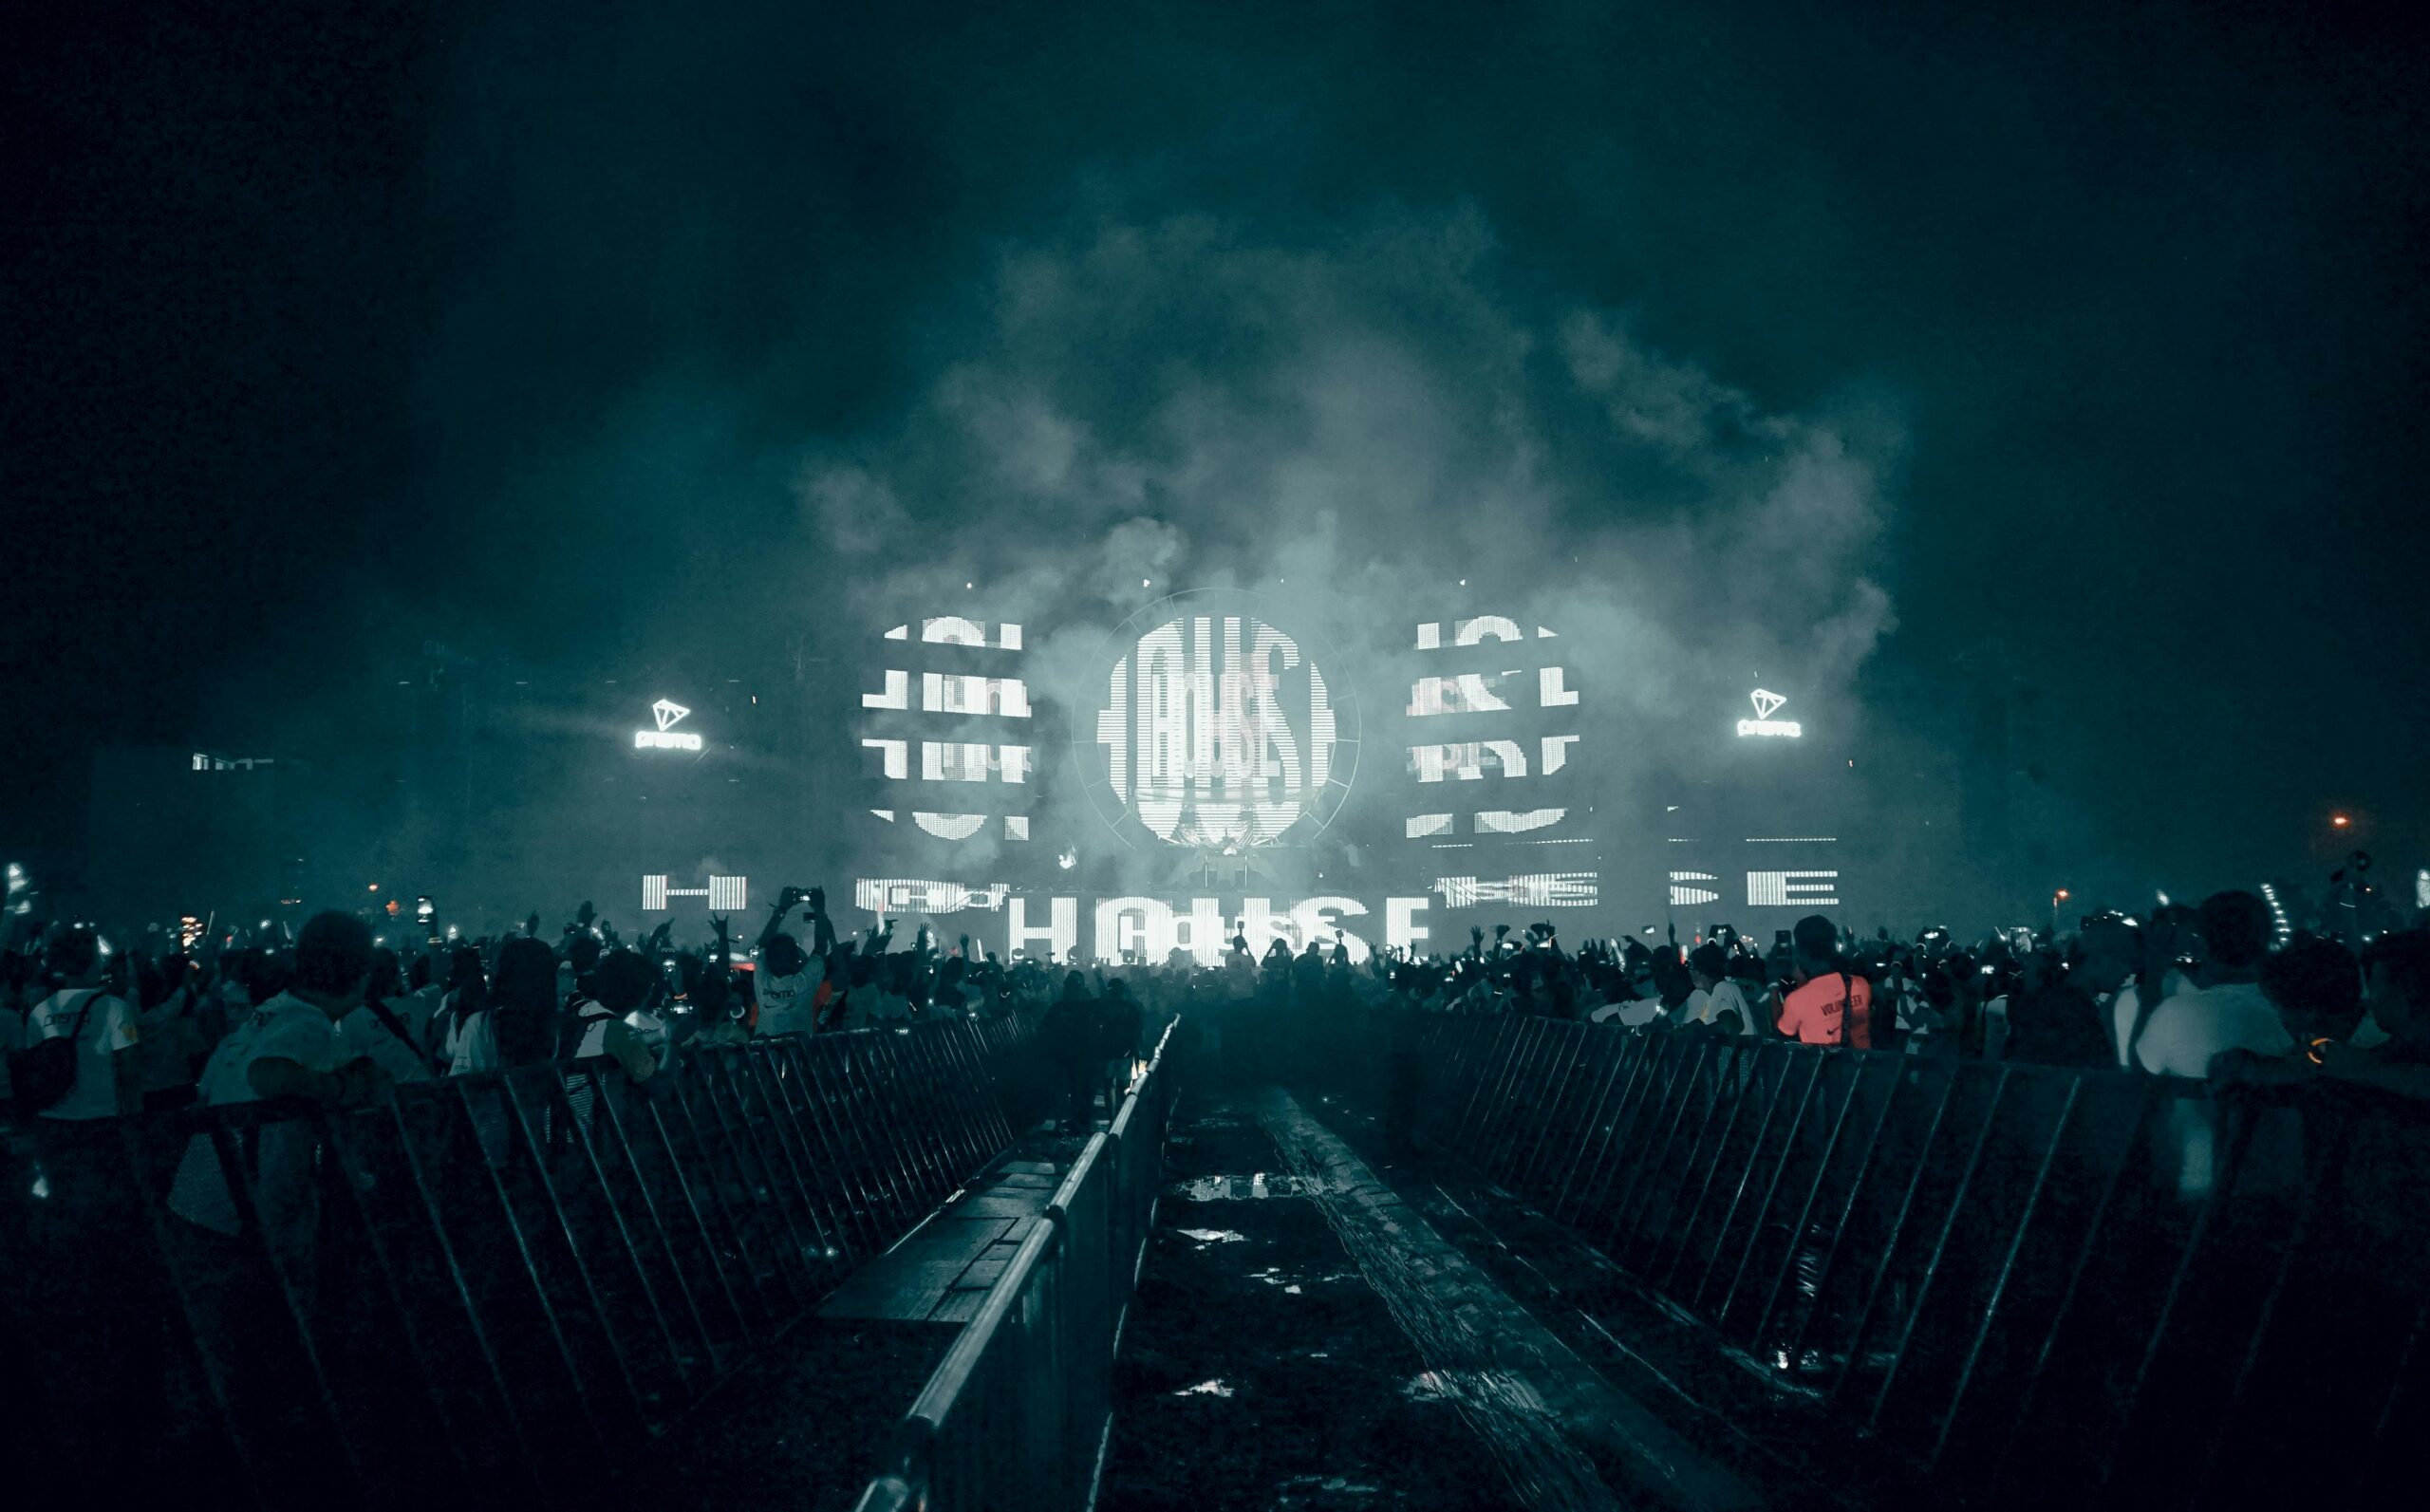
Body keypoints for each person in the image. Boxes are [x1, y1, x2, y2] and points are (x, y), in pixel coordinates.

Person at [20, 927, 140, 1120]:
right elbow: (130, 1065)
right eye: (99, 957)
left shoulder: (39, 1012)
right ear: (91, 964)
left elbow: (32, 1066)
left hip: (51, 1117)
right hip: (100, 1116)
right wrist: (134, 1113)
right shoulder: (118, 1008)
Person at [1775, 915, 1873, 1047]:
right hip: (1861, 1059)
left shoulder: (1796, 1000)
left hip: (1822, 1061)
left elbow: (1779, 1038)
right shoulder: (1861, 985)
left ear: (1800, 952)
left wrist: (1772, 985)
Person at [1677, 943, 1753, 1035]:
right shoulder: (1714, 997)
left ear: (1703, 970)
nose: (1691, 972)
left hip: (1744, 1044)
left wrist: (1696, 1033)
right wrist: (1680, 1030)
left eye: (1693, 967)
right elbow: (1701, 1022)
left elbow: (1728, 1026)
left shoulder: (1723, 988)